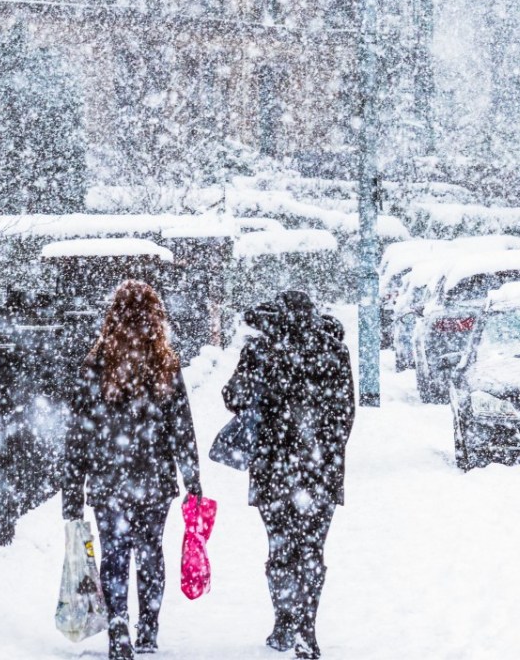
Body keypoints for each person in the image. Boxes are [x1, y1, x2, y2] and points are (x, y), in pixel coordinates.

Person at [61, 280, 203, 660]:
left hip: (109, 477)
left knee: (114, 554)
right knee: (150, 551)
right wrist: (193, 480)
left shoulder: (96, 364)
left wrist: (72, 491)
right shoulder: (165, 364)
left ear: (113, 316)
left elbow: (79, 433)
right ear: (157, 318)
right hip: (154, 478)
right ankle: (149, 630)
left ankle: (119, 625)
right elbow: (181, 427)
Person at [222, 290, 356, 660]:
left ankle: (284, 621)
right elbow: (345, 415)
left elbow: (233, 398)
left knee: (280, 546)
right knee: (311, 549)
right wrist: (325, 453)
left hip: (272, 467)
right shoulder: (333, 351)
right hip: (319, 469)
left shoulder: (261, 351)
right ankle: (306, 630)